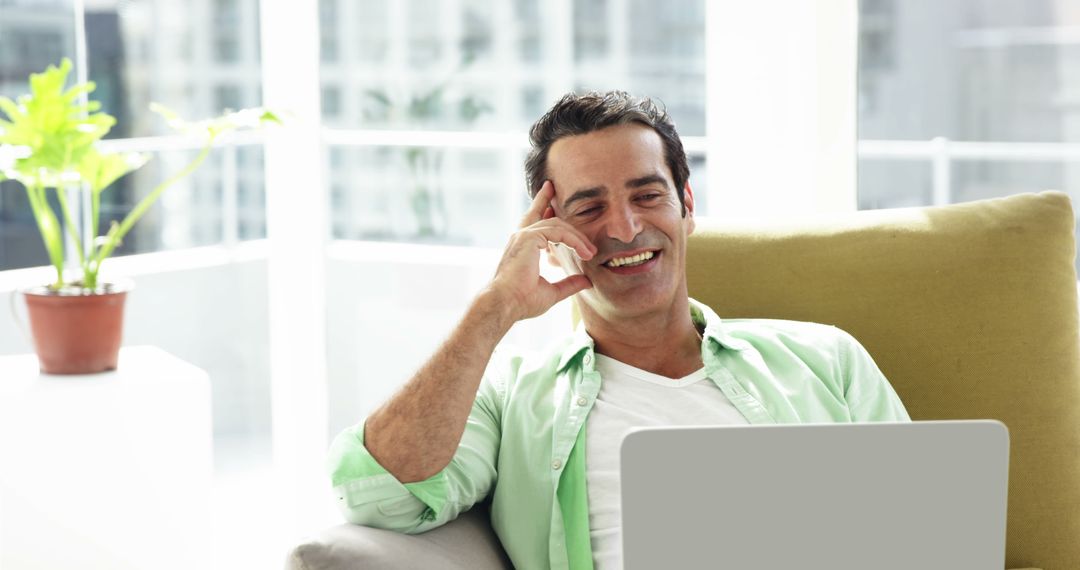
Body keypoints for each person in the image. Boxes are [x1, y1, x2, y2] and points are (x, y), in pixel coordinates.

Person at [327, 91, 910, 570]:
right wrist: (492, 310)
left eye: (647, 195)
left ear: (685, 203)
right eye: (588, 208)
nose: (626, 228)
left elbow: (922, 528)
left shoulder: (825, 358)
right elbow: (379, 494)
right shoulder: (514, 397)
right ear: (550, 231)